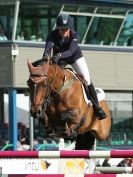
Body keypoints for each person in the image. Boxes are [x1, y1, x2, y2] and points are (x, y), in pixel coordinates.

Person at [39, 14, 106, 120]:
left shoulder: (75, 35)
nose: (64, 31)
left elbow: (71, 51)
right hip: (59, 59)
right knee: (52, 78)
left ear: (70, 28)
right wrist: (46, 56)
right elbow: (48, 47)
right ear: (58, 28)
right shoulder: (52, 35)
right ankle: (47, 104)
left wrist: (59, 55)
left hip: (75, 58)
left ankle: (98, 108)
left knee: (87, 79)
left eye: (66, 29)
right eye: (62, 29)